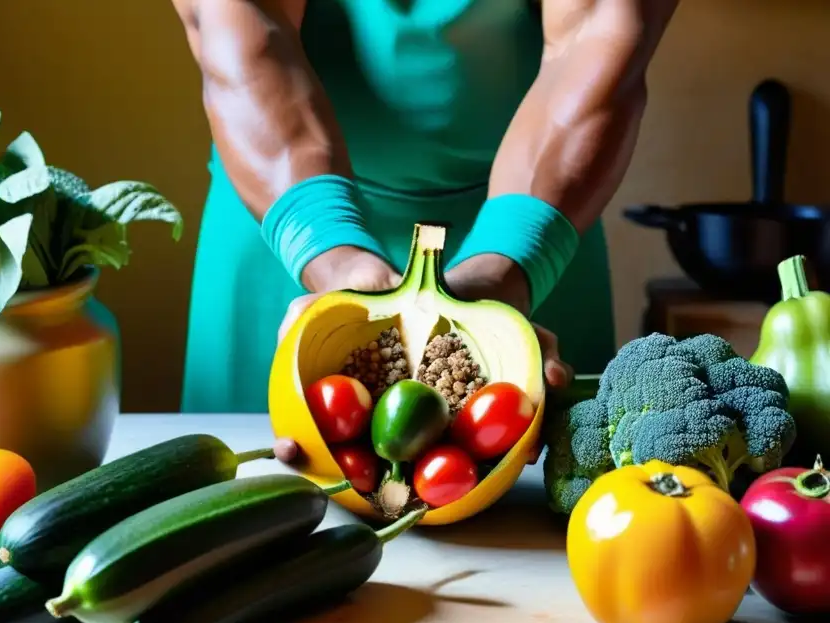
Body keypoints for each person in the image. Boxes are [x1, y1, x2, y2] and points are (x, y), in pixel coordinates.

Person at [173, 0, 679, 426]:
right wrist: (332, 253)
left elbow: (600, 30)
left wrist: (506, 265)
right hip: (285, 220)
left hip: (537, 221)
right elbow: (240, 32)